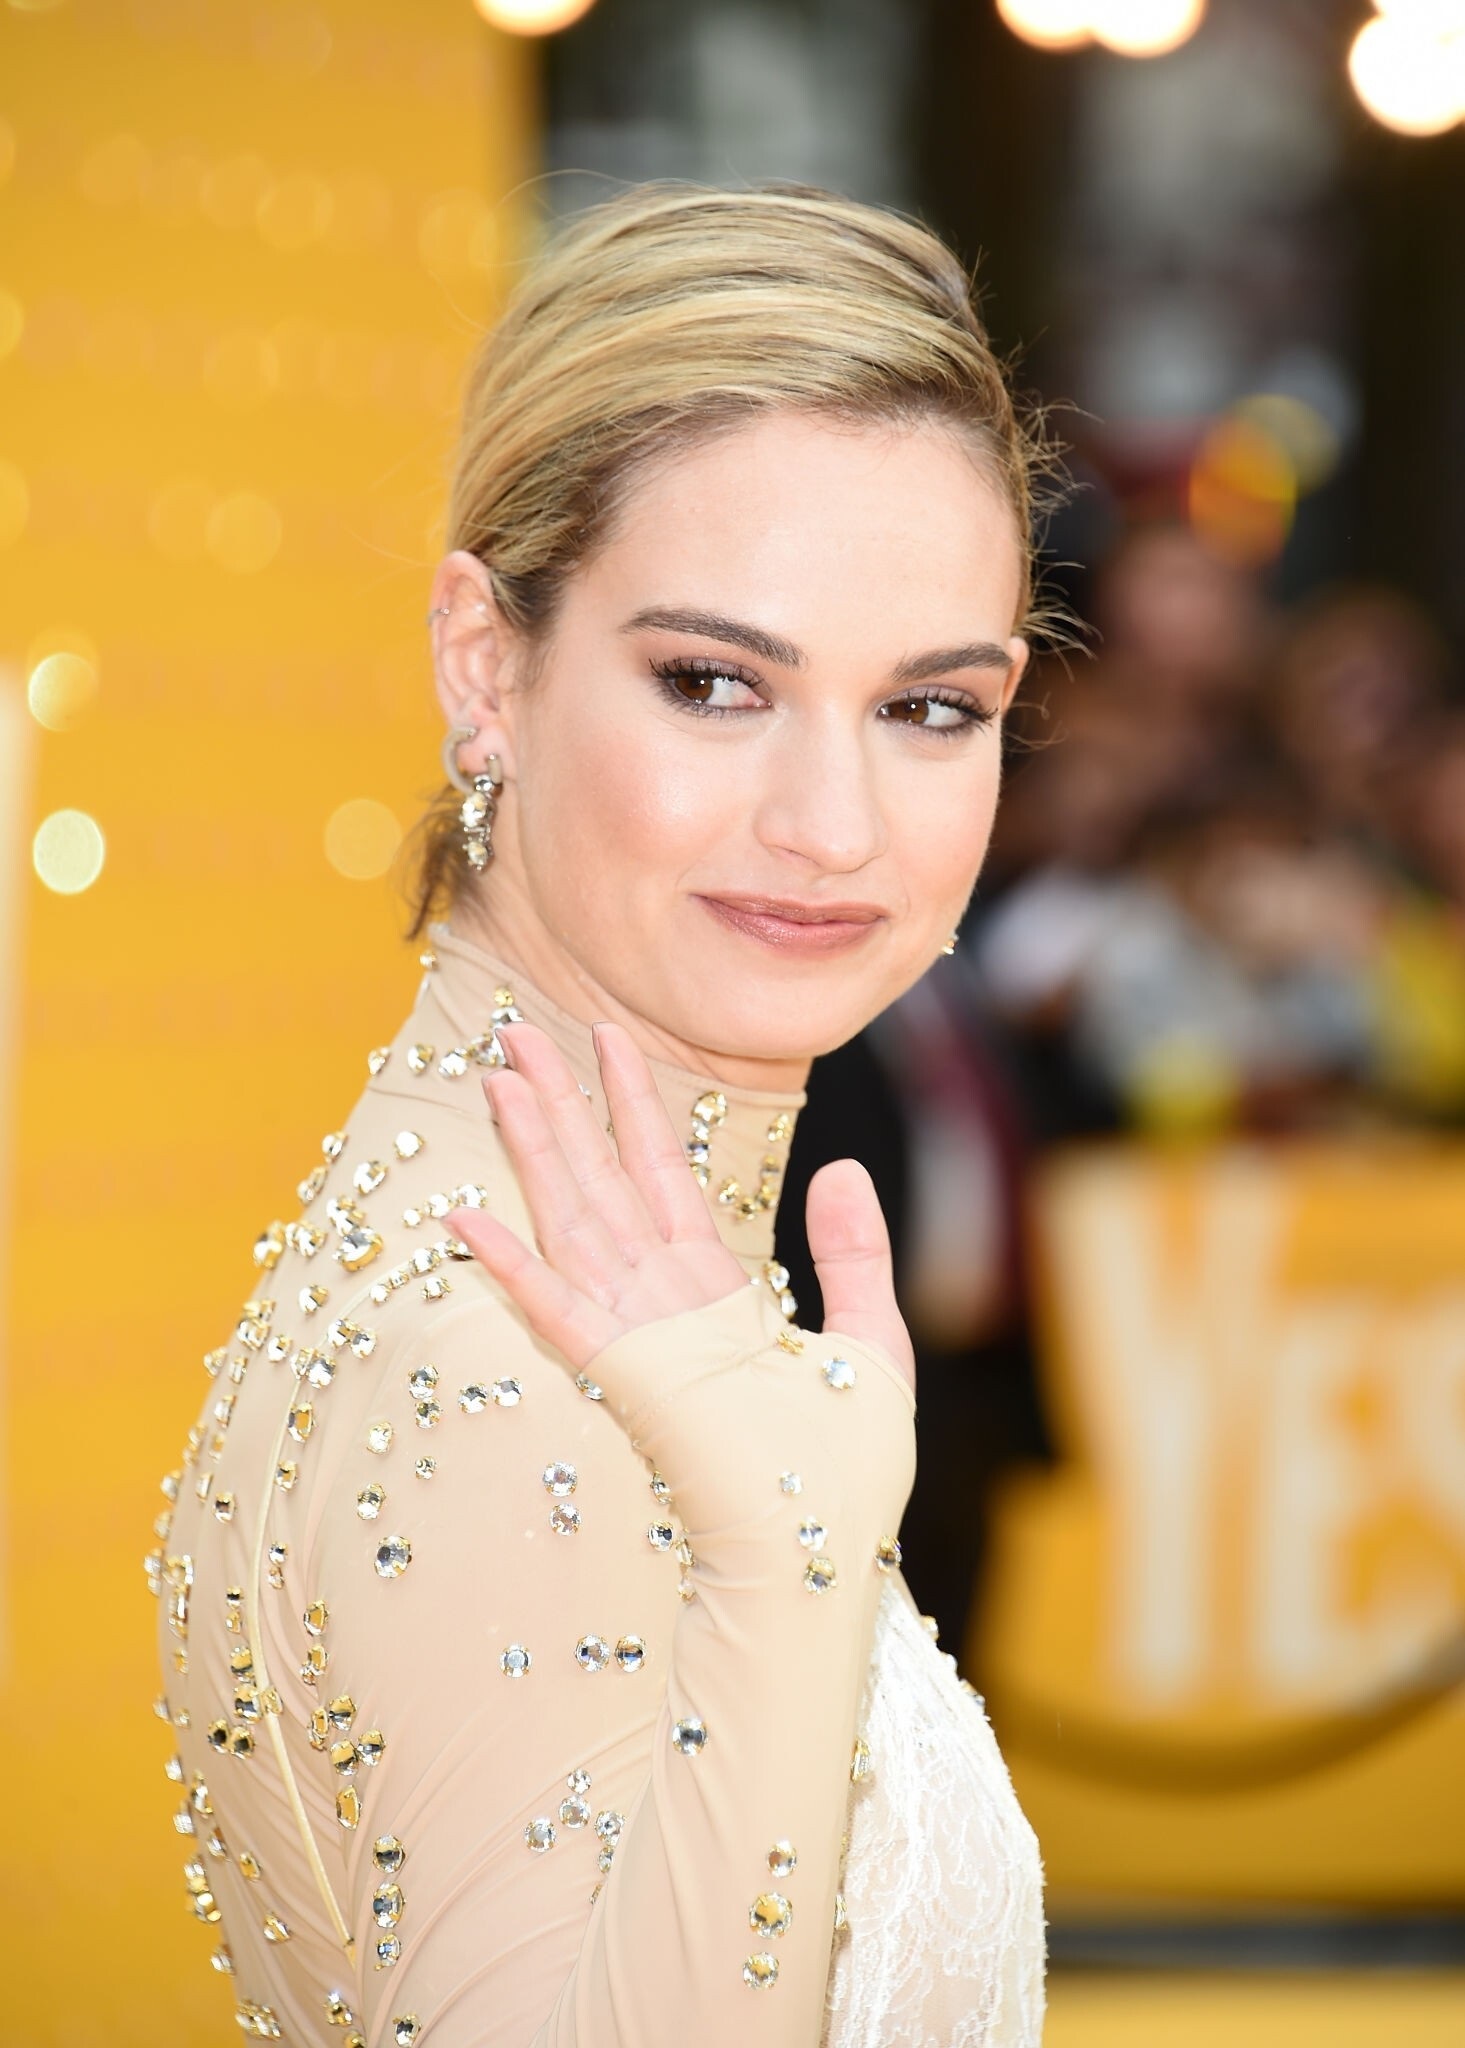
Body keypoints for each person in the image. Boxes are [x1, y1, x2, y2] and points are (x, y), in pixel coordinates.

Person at [148, 184, 1048, 2048]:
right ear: (486, 664)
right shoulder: (517, 1360)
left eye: (928, 709)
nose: (832, 824)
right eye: (713, 684)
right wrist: (786, 1576)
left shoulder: (533, 1250)